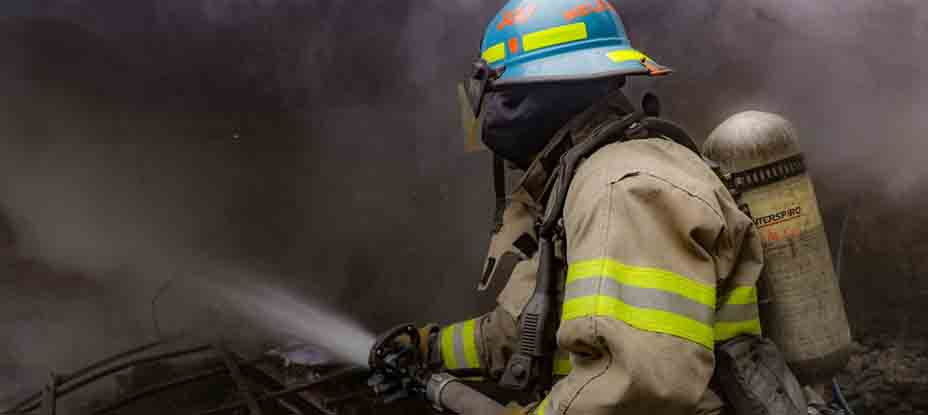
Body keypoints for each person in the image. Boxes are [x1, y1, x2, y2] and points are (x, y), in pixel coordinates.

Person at [413, 1, 765, 413]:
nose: (486, 114)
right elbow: (527, 325)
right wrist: (430, 350)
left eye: (496, 92)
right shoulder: (581, 182)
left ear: (527, 96)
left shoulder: (623, 189)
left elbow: (635, 387)